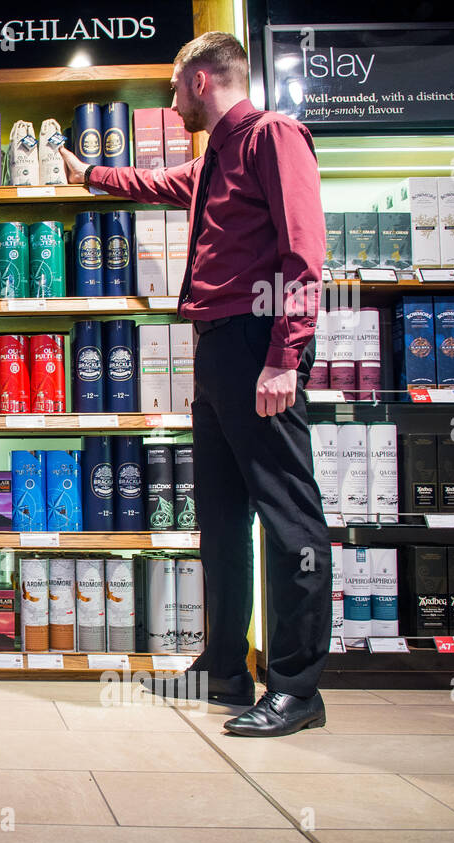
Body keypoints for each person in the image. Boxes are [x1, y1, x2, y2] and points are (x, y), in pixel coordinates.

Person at [61, 31, 330, 737]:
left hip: (254, 345)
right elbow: (161, 183)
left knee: (289, 521)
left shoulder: (273, 137)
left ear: (202, 79)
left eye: (176, 87)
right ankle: (224, 665)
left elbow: (305, 252)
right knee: (220, 518)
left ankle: (299, 689)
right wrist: (88, 173)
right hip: (214, 352)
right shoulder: (216, 158)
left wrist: (285, 355)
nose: (170, 99)